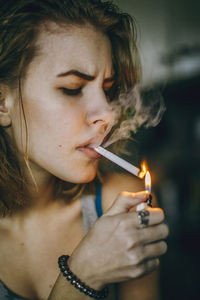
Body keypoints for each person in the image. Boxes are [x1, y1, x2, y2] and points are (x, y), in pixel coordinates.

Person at [0, 0, 169, 299]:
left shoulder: (122, 208)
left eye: (106, 88)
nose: (109, 113)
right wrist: (83, 275)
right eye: (73, 88)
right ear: (3, 103)